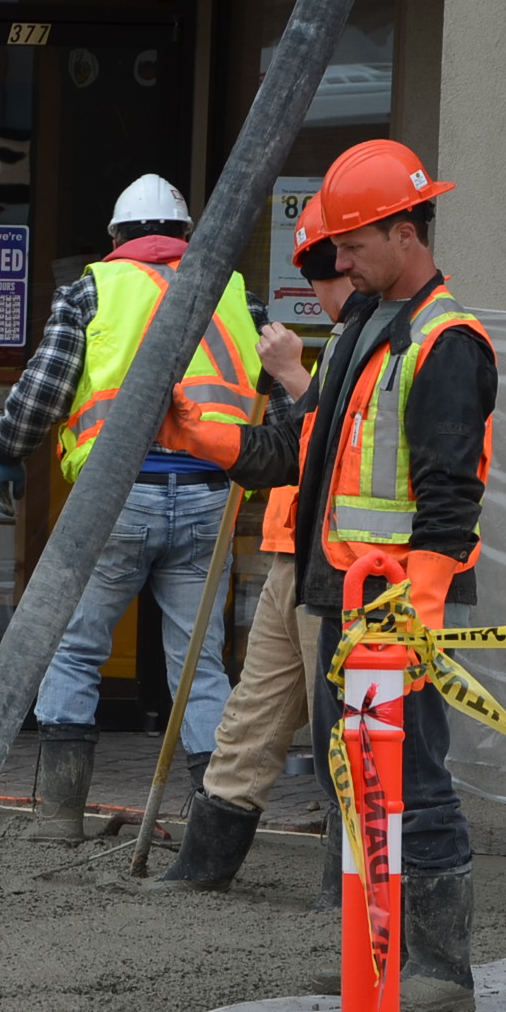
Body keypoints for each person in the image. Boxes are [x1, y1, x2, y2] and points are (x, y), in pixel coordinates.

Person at [0, 174, 288, 842]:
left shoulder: (94, 287)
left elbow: (45, 387)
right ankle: (211, 825)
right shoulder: (238, 294)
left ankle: (61, 818)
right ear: (185, 235)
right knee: (199, 668)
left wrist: (9, 450)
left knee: (74, 651)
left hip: (116, 497)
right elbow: (285, 392)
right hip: (209, 497)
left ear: (118, 238)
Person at [291, 139, 497, 1012]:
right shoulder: (365, 332)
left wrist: (414, 610)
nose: (338, 262)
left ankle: (440, 971)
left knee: (413, 775)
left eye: (352, 246)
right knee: (350, 776)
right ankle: (376, 955)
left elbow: (452, 501)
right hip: (348, 598)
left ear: (405, 232)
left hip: (395, 607)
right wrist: (196, 436)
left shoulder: (447, 344)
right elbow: (296, 450)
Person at [153, 196, 356, 894]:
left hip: (346, 569)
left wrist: (297, 378)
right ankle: (203, 867)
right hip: (294, 558)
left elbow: (343, 449)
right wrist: (198, 433)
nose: (323, 287)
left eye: (323, 270)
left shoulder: (386, 343)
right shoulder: (349, 342)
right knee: (250, 720)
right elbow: (284, 450)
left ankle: (349, 888)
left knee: (345, 731)